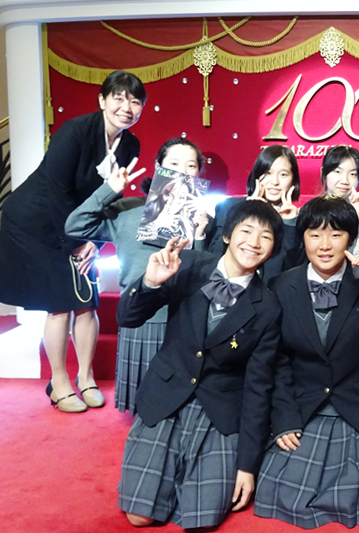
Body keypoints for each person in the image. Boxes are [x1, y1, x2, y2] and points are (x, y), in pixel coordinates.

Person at [254, 195, 359, 529]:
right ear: (303, 237)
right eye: (315, 234)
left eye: (336, 234)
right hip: (306, 408)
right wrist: (283, 418)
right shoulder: (282, 285)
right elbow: (277, 361)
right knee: (283, 493)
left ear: (351, 238)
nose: (325, 245)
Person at [116, 199, 284, 529]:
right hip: (166, 397)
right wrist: (151, 282)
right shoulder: (188, 264)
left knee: (201, 520)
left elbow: (258, 386)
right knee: (139, 516)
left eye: (265, 236)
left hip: (219, 409)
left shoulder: (268, 306)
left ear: (273, 247)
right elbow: (127, 318)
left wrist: (247, 465)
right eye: (246, 231)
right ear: (227, 235)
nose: (254, 242)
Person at [0, 70, 146, 412]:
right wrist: (78, 241)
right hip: (37, 223)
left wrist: (95, 241)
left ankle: (86, 377)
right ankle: (59, 382)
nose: (127, 108)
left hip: (78, 227)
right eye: (119, 98)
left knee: (87, 301)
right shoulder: (75, 132)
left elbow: (110, 197)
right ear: (102, 100)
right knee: (60, 302)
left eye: (135, 101)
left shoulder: (131, 145)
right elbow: (58, 192)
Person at [65, 138, 205, 415]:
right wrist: (109, 190)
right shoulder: (127, 210)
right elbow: (75, 225)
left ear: (198, 173)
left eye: (190, 166)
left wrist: (199, 235)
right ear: (158, 167)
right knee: (144, 407)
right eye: (173, 164)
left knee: (182, 407)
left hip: (184, 317)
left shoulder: (202, 217)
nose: (182, 171)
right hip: (142, 315)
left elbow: (203, 274)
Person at [202, 144, 302, 280]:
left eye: (283, 174)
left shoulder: (298, 219)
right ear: (257, 175)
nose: (275, 182)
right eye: (268, 173)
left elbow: (292, 267)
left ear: (293, 180)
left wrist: (289, 224)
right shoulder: (229, 206)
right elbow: (215, 253)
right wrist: (248, 210)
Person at [320, 144, 359, 262]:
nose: (345, 181)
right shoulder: (309, 212)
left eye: (353, 174)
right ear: (323, 172)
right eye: (337, 171)